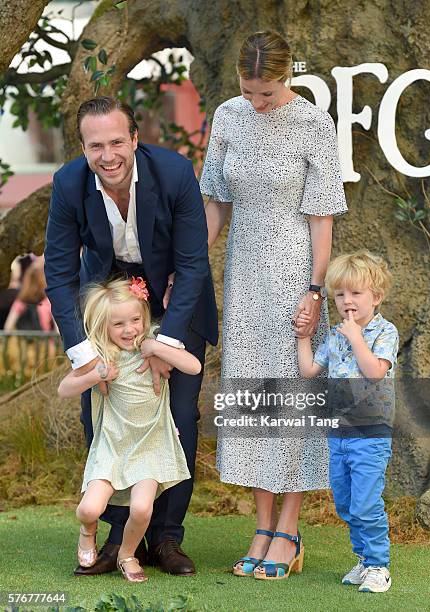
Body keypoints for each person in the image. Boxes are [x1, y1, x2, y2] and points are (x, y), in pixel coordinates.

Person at [45, 96, 218, 576]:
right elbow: (59, 275)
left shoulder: (174, 173)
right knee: (102, 419)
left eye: (117, 141)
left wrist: (168, 344)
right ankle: (121, 539)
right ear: (83, 148)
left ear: (135, 139)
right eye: (95, 145)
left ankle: (165, 539)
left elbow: (192, 263)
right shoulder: (67, 183)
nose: (107, 155)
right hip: (107, 313)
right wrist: (83, 354)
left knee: (179, 417)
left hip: (175, 305)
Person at [199, 30, 347, 579]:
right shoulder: (228, 117)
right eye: (248, 90)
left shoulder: (315, 123)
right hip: (243, 280)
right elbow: (214, 203)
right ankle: (260, 527)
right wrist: (189, 268)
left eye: (266, 92)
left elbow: (322, 216)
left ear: (286, 77)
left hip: (293, 275)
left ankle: (289, 528)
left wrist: (315, 288)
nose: (256, 102)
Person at [58, 277, 201, 582]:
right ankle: (88, 531)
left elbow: (193, 367)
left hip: (151, 445)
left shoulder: (154, 344)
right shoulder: (101, 355)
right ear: (103, 327)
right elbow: (64, 389)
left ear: (144, 317)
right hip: (113, 446)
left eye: (135, 320)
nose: (129, 329)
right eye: (118, 324)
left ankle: (127, 553)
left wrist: (154, 346)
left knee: (141, 509)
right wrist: (96, 374)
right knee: (88, 508)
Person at [297, 250, 398, 593]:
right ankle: (363, 559)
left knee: (366, 503)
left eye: (355, 293)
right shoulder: (336, 335)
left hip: (370, 435)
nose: (346, 301)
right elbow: (310, 369)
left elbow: (374, 373)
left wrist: (356, 337)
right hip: (338, 435)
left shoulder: (385, 332)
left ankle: (378, 565)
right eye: (340, 294)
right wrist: (302, 339)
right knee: (345, 502)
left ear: (376, 297)